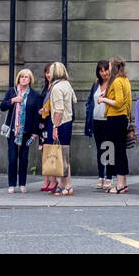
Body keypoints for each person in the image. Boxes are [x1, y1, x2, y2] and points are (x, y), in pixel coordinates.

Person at [0, 68, 45, 193]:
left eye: (26, 77)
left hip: (27, 132)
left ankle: (23, 183)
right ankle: (12, 184)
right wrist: (13, 100)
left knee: (24, 158)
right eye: (22, 77)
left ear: (30, 80)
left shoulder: (35, 95)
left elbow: (37, 115)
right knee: (12, 157)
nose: (24, 79)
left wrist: (35, 132)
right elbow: (2, 106)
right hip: (13, 130)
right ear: (18, 78)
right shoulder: (12, 91)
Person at [99, 56, 132, 194]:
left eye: (110, 66)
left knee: (116, 151)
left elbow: (118, 102)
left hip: (115, 118)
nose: (109, 68)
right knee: (121, 151)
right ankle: (123, 184)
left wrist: (104, 99)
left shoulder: (117, 81)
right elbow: (127, 102)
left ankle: (119, 184)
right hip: (122, 118)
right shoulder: (125, 80)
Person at [46, 62, 77, 196]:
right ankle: (64, 184)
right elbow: (74, 100)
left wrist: (55, 127)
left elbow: (58, 110)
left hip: (61, 123)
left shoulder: (57, 87)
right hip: (68, 121)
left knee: (63, 156)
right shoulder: (67, 84)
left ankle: (68, 185)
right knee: (64, 155)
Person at [85, 60, 111, 191]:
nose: (104, 73)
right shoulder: (96, 84)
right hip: (96, 120)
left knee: (109, 148)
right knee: (100, 149)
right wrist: (88, 110)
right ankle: (101, 175)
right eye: (101, 70)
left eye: (105, 70)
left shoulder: (113, 83)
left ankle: (109, 176)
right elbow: (90, 100)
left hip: (108, 120)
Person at [37, 63, 58, 193]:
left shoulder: (56, 87)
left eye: (50, 72)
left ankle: (54, 180)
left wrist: (45, 110)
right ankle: (47, 179)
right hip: (43, 123)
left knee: (52, 151)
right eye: (46, 72)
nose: (48, 75)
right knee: (44, 151)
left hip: (51, 121)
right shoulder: (45, 87)